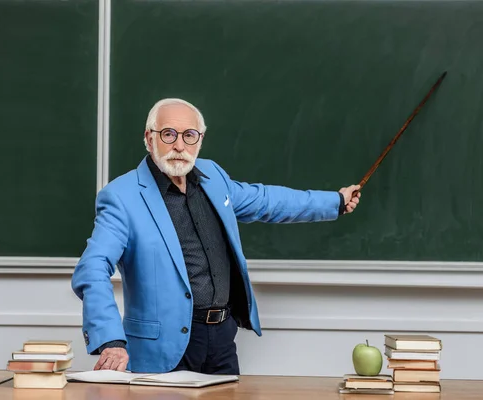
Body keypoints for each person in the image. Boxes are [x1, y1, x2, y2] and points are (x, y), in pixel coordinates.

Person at [71, 98, 361, 375]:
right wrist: (111, 339)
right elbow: (92, 268)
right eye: (168, 134)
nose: (179, 146)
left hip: (221, 339)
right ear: (149, 138)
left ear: (200, 140)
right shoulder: (122, 197)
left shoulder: (213, 176)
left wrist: (334, 202)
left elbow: (266, 201)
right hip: (162, 348)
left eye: (190, 135)